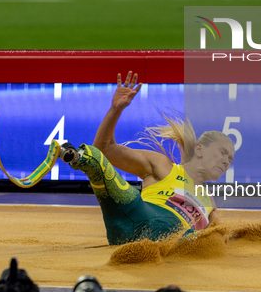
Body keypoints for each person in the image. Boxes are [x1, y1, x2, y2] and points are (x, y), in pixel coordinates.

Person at [67, 71, 235, 246]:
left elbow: (219, 238)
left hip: (173, 237)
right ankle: (77, 157)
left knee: (196, 238)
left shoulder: (210, 202)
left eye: (230, 159)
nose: (227, 161)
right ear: (199, 149)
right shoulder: (163, 165)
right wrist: (115, 109)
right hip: (136, 217)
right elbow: (106, 150)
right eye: (223, 152)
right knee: (96, 158)